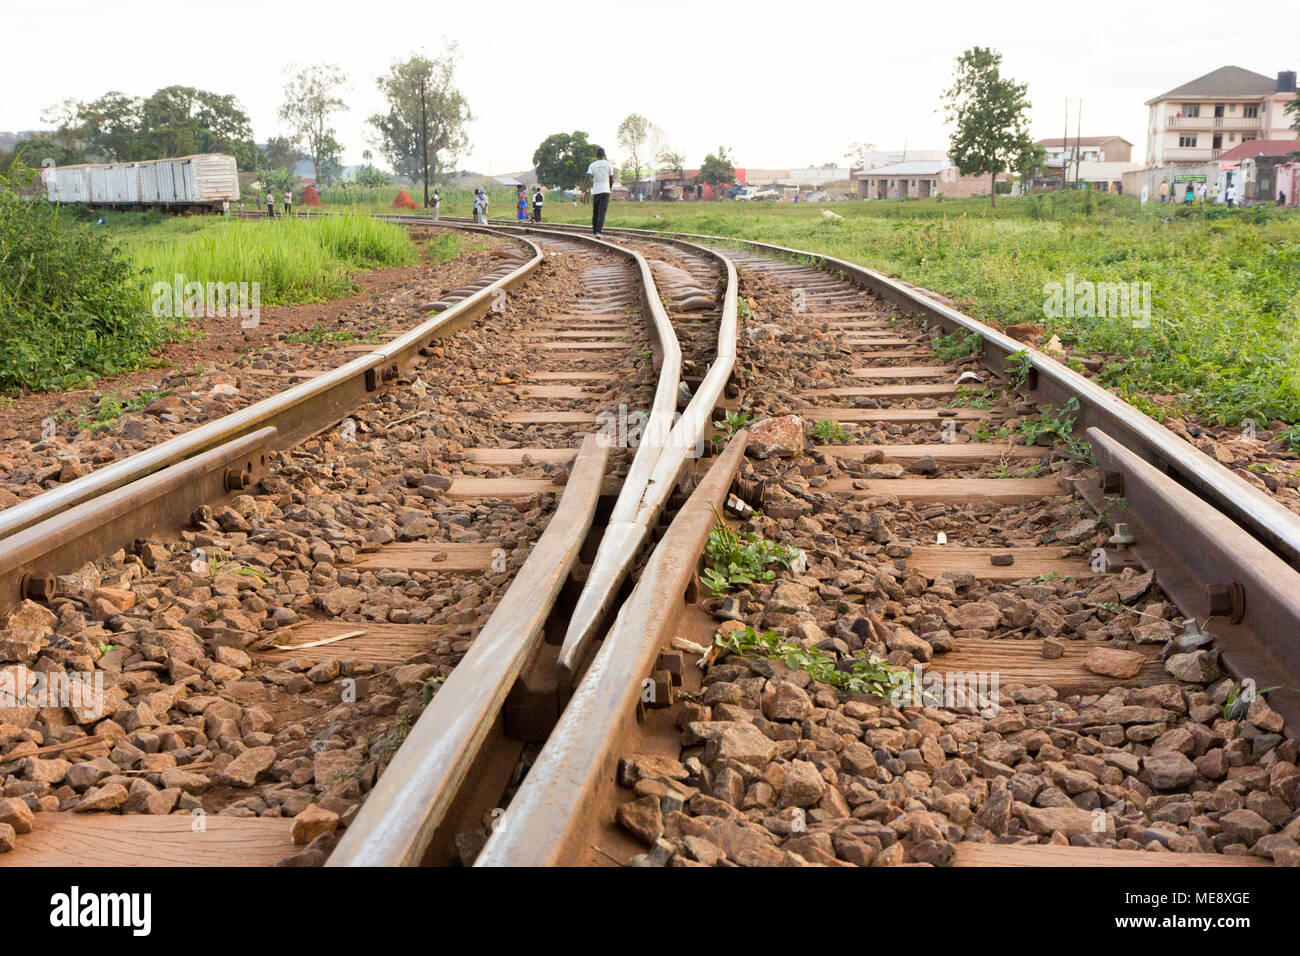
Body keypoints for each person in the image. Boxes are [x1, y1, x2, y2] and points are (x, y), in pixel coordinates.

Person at [582, 146, 614, 237]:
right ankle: (598, 232)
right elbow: (611, 179)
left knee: (595, 212)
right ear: (604, 155)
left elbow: (587, 178)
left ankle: (594, 231)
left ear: (596, 155)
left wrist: (583, 190)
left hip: (596, 191)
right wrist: (609, 189)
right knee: (602, 212)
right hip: (605, 191)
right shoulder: (609, 164)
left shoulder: (592, 165)